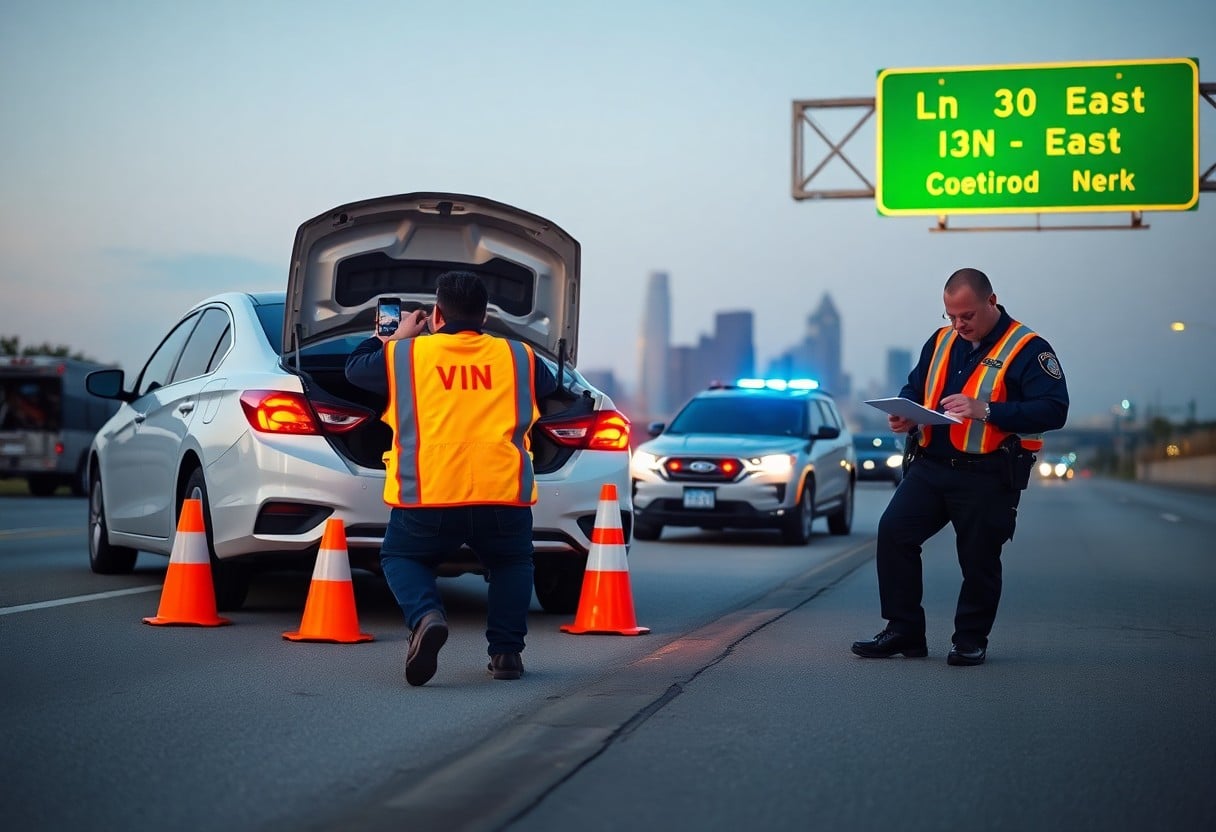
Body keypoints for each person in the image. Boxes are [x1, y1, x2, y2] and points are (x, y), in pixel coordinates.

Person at [345, 270, 558, 686]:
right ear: (485, 315)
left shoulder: (404, 356)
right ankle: (506, 654)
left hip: (430, 491)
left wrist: (391, 337)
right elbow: (550, 385)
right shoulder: (520, 357)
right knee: (513, 562)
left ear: (436, 314)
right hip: (501, 491)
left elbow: (354, 371)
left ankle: (426, 616)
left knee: (401, 557)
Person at [852, 267, 1068, 666]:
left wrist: (986, 410)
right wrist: (906, 414)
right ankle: (904, 631)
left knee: (979, 559)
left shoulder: (1028, 348)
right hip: (931, 467)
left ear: (991, 302)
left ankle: (970, 639)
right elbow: (915, 387)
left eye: (966, 315)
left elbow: (1055, 409)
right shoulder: (941, 340)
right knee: (895, 532)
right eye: (950, 315)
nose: (958, 324)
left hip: (987, 474)